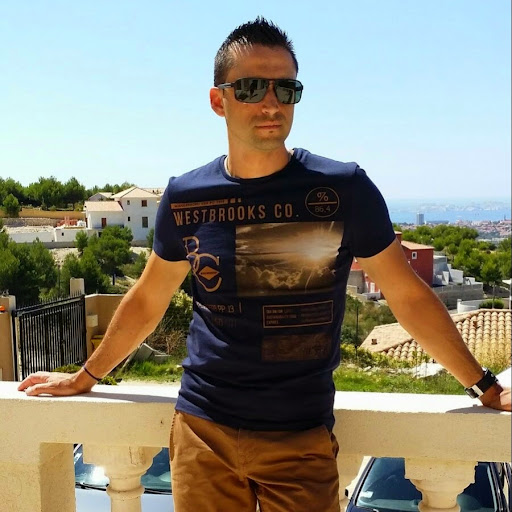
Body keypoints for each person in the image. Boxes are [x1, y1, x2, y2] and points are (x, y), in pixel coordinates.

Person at [18, 17, 510, 512]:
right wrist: (86, 377)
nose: (272, 103)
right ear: (219, 100)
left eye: (286, 89)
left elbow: (406, 295)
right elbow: (149, 298)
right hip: (203, 433)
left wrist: (484, 386)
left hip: (300, 437)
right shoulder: (186, 196)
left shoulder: (344, 189)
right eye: (252, 88)